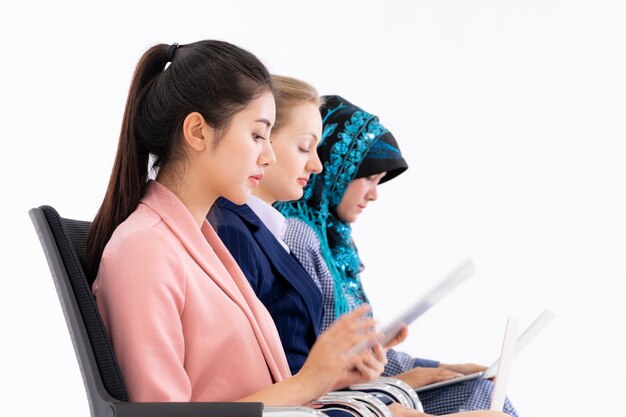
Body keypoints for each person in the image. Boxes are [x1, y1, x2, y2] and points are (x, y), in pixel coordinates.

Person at [86, 41, 392, 407]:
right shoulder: (144, 250)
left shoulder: (202, 239)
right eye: (257, 135)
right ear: (197, 131)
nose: (269, 155)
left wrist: (327, 376)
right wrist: (309, 380)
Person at [213, 77, 509, 416]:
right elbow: (293, 362)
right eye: (367, 177)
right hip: (318, 401)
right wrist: (399, 382)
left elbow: (323, 357)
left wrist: (428, 368)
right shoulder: (286, 234)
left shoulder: (311, 238)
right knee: (478, 400)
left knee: (481, 394)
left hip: (330, 395)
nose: (373, 193)